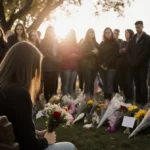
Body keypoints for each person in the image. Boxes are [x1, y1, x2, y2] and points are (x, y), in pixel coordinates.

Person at [0, 42, 76, 150]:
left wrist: (35, 133)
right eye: (36, 68)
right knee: (69, 147)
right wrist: (46, 140)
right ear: (29, 68)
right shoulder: (19, 94)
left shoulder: (3, 88)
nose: (35, 73)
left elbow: (13, 126)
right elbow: (30, 145)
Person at [127, 21, 150, 107]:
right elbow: (128, 51)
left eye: (139, 27)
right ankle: (138, 103)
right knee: (137, 84)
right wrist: (131, 62)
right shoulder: (133, 38)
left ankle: (144, 103)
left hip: (143, 66)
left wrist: (137, 62)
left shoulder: (147, 38)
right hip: (133, 66)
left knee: (143, 83)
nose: (137, 29)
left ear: (142, 26)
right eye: (136, 27)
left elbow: (146, 52)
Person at [98, 27, 119, 102]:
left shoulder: (115, 43)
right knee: (104, 84)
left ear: (111, 33)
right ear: (104, 34)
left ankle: (108, 100)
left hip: (111, 67)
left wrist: (106, 64)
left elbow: (114, 55)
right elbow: (99, 55)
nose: (107, 34)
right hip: (102, 67)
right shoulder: (102, 43)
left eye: (109, 32)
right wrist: (101, 65)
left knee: (109, 83)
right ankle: (105, 99)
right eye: (106, 32)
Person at [41, 26, 60, 102]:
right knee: (47, 85)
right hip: (47, 66)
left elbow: (60, 52)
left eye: (52, 31)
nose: (50, 32)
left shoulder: (56, 41)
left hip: (56, 67)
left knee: (54, 85)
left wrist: (58, 60)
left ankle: (54, 100)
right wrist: (54, 59)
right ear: (46, 32)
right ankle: (47, 100)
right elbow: (44, 52)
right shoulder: (43, 41)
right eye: (49, 31)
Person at [60, 29, 81, 96]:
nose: (71, 36)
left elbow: (80, 54)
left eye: (73, 34)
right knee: (66, 83)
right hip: (66, 66)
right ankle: (65, 98)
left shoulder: (77, 44)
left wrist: (74, 55)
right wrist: (71, 55)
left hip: (74, 67)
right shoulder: (64, 43)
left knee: (71, 84)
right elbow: (63, 54)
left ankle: (71, 100)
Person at [80, 28, 99, 97]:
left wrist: (98, 53)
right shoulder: (84, 43)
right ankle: (86, 99)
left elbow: (100, 52)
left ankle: (91, 99)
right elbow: (83, 54)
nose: (91, 33)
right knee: (87, 82)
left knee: (92, 83)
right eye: (90, 32)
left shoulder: (96, 43)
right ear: (87, 34)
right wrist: (92, 52)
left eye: (93, 32)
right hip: (87, 65)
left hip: (95, 66)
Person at [118, 29, 134, 103]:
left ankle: (130, 99)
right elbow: (119, 52)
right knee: (123, 82)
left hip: (130, 66)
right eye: (125, 33)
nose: (125, 34)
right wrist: (123, 51)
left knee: (129, 83)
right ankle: (125, 98)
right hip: (122, 66)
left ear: (131, 33)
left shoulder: (133, 42)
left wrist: (126, 50)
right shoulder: (123, 42)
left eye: (127, 32)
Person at [113, 29, 123, 93]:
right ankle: (115, 93)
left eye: (117, 34)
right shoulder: (110, 41)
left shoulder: (121, 41)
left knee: (121, 79)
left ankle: (121, 92)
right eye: (115, 33)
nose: (116, 35)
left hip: (120, 64)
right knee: (114, 80)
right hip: (112, 64)